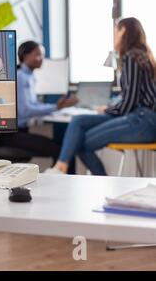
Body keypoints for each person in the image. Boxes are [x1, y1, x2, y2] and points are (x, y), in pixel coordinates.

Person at [46, 17, 156, 175]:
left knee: (81, 143)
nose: (114, 35)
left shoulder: (132, 57)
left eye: (116, 31)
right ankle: (61, 167)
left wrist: (107, 110)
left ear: (123, 31)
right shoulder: (143, 56)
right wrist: (109, 109)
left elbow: (129, 102)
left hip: (141, 120)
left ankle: (68, 169)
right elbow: (132, 99)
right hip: (140, 118)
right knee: (78, 121)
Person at [0, 41, 78, 162]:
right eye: (38, 54)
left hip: (20, 132)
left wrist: (57, 107)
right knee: (59, 149)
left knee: (58, 147)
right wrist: (56, 107)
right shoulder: (20, 77)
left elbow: (34, 105)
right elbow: (25, 110)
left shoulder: (29, 76)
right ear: (25, 56)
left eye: (42, 55)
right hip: (12, 136)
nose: (41, 59)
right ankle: (55, 175)